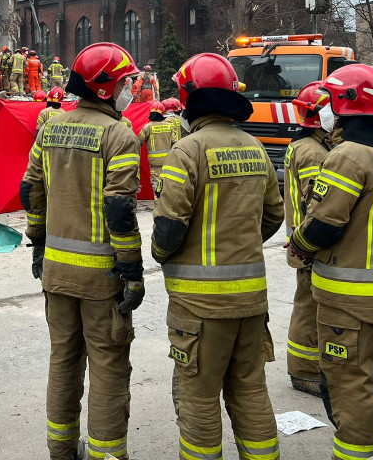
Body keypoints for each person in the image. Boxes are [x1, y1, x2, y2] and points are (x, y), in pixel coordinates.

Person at [152, 52, 283, 460]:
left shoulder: (188, 151)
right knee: (249, 388)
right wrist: (240, 243)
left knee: (199, 396)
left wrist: (161, 256)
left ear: (190, 97)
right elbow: (275, 214)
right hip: (250, 302)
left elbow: (169, 227)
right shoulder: (256, 147)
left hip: (200, 307)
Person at [21, 42, 144, 460]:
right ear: (107, 89)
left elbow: (29, 189)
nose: (131, 87)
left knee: (64, 360)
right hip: (100, 279)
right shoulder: (119, 134)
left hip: (56, 271)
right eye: (126, 82)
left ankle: (60, 450)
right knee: (108, 367)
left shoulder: (50, 128)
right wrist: (131, 269)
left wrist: (38, 246)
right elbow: (119, 208)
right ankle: (107, 454)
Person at [289, 64, 373, 458]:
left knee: (348, 384)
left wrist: (298, 246)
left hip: (347, 298)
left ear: (346, 103)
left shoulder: (349, 156)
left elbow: (323, 223)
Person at [283, 81, 336, 396]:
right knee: (308, 307)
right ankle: (304, 372)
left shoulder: (303, 144)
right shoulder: (313, 152)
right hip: (309, 244)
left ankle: (306, 367)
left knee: (307, 304)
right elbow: (317, 204)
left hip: (301, 240)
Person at [136, 101, 174, 190]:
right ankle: (165, 203)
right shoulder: (169, 126)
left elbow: (138, 142)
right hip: (168, 159)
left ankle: (158, 203)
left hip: (154, 161)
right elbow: (175, 142)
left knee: (157, 182)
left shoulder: (147, 127)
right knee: (167, 181)